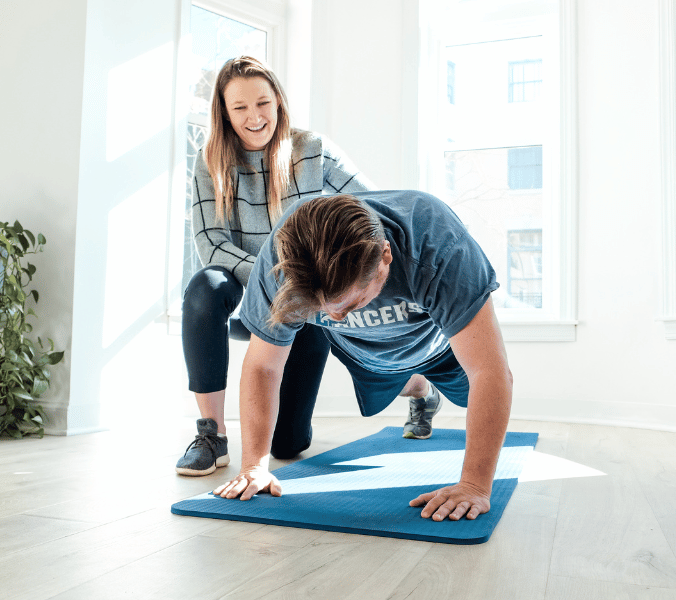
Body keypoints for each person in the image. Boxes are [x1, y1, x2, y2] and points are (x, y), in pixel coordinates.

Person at [176, 56, 440, 476]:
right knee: (204, 286)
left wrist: (320, 283)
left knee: (287, 446)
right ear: (224, 113)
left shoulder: (312, 151)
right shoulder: (210, 161)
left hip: (311, 301)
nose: (254, 116)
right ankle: (211, 433)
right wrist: (276, 280)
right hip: (255, 295)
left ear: (278, 102)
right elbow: (211, 243)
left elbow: (372, 209)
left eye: (262, 103)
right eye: (240, 107)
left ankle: (419, 386)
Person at [214, 191, 513, 522]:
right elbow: (263, 365)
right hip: (365, 355)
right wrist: (254, 464)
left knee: (477, 392)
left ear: (386, 255)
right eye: (323, 309)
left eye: (352, 304)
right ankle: (420, 390)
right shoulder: (284, 257)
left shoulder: (435, 242)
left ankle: (425, 380)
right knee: (397, 382)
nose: (337, 318)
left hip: (441, 349)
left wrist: (475, 485)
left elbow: (490, 371)